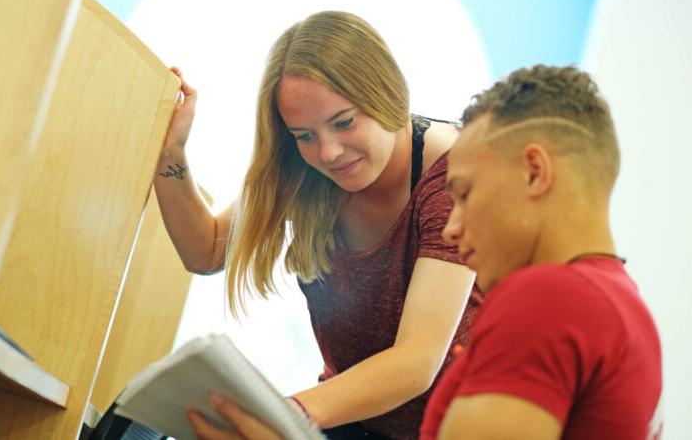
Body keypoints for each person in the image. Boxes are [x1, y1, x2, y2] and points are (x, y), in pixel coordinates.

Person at [188, 65, 664, 440]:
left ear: (535, 173)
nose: (451, 228)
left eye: (466, 192)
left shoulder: (546, 301)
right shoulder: (624, 308)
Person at [154, 11, 482, 438]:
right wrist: (171, 156)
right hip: (352, 422)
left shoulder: (454, 174)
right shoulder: (303, 168)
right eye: (304, 135)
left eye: (344, 123)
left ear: (386, 95)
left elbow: (416, 362)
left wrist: (279, 416)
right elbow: (206, 250)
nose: (328, 152)